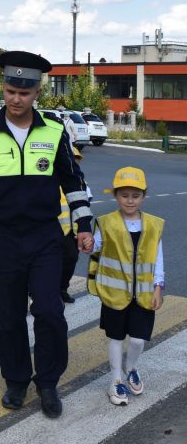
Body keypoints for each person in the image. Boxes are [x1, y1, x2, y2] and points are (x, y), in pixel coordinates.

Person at [0, 50, 94, 419]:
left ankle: (47, 382)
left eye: (24, 93)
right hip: (2, 238)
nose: (16, 99)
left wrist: (83, 224)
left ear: (36, 94)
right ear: (3, 88)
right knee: (9, 316)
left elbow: (73, 181)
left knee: (50, 311)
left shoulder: (55, 130)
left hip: (46, 237)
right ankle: (16, 380)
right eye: (11, 91)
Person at [87, 167, 164, 406]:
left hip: (143, 294)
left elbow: (157, 257)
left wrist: (158, 286)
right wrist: (87, 242)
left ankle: (131, 368)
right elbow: (94, 249)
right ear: (116, 196)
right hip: (115, 292)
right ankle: (116, 380)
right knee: (116, 337)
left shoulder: (152, 224)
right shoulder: (105, 223)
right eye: (124, 195)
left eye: (135, 195)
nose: (130, 200)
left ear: (143, 196)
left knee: (139, 340)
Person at [58, 146, 93, 303]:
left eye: (76, 161)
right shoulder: (51, 181)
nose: (74, 164)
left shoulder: (81, 182)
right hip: (55, 229)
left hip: (75, 230)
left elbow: (87, 201)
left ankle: (62, 288)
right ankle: (42, 292)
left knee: (71, 259)